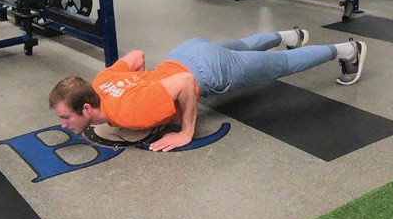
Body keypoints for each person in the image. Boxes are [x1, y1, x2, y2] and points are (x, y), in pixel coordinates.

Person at [49, 27, 367, 153]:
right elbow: (136, 56)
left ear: (86, 108)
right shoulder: (99, 82)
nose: (63, 124)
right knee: (243, 46)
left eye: (65, 117)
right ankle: (291, 34)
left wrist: (186, 132)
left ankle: (348, 50)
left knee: (282, 64)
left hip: (207, 71)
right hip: (185, 51)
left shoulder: (129, 114)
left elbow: (185, 84)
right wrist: (146, 84)